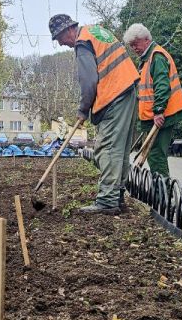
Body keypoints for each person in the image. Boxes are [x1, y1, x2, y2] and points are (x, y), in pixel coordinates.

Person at [48, 14, 139, 214]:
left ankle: (107, 200)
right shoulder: (96, 32)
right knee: (120, 149)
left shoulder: (83, 42)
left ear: (67, 30)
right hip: (128, 90)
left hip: (115, 94)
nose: (62, 44)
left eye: (59, 38)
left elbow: (88, 81)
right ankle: (117, 195)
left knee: (106, 148)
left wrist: (83, 110)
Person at [122, 23, 182, 178]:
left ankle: (162, 193)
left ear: (145, 39)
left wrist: (158, 111)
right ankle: (161, 191)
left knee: (156, 154)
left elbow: (162, 86)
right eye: (131, 46)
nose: (134, 48)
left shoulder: (157, 57)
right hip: (153, 116)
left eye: (135, 44)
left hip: (162, 114)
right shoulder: (146, 59)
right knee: (151, 153)